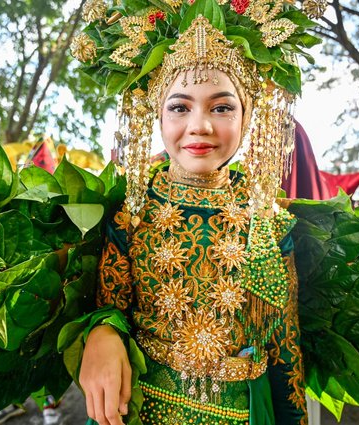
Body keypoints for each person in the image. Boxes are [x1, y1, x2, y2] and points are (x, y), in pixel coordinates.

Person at [69, 1, 327, 424]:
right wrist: (103, 330)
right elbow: (109, 305)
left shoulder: (268, 223)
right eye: (180, 107)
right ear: (156, 114)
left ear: (247, 117)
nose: (200, 125)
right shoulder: (132, 214)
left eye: (222, 107)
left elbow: (284, 353)